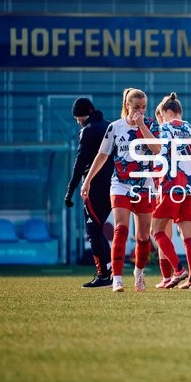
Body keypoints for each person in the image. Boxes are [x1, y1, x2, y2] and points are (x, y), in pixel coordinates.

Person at [81, 88, 160, 293]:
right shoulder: (115, 127)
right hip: (120, 184)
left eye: (143, 107)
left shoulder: (151, 124)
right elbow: (102, 155)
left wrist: (141, 125)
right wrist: (87, 181)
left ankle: (139, 274)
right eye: (136, 107)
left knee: (143, 236)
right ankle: (116, 279)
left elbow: (157, 149)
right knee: (121, 228)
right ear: (127, 105)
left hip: (144, 185)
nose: (140, 111)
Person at [150, 93, 191, 290]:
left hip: (170, 187)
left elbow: (160, 157)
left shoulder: (164, 130)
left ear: (168, 112)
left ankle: (178, 270)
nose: (161, 119)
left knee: (157, 231)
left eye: (161, 115)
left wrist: (154, 180)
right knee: (189, 235)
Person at [65, 97, 114, 288]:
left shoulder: (88, 130)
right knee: (100, 228)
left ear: (82, 115)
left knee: (94, 231)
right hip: (115, 185)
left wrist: (70, 189)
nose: (77, 121)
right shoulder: (110, 126)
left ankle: (104, 275)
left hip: (94, 187)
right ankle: (110, 272)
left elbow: (80, 163)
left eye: (77, 117)